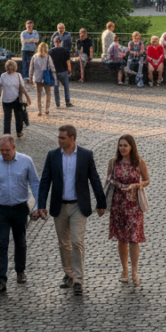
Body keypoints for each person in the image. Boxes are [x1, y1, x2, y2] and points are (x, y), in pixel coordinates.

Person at [37, 125, 107, 296]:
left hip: (78, 206)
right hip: (59, 206)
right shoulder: (53, 155)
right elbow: (45, 181)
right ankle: (68, 273)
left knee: (76, 241)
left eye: (62, 138)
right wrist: (41, 205)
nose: (59, 140)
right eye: (59, 137)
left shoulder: (85, 155)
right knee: (64, 243)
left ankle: (78, 279)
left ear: (72, 139)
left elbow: (95, 179)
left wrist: (101, 202)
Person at [0, 135, 41, 293]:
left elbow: (35, 183)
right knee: (1, 244)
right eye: (1, 150)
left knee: (20, 241)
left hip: (20, 207)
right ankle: (1, 279)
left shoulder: (26, 161)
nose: (4, 153)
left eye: (7, 150)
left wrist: (38, 205)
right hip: (0, 209)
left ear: (14, 147)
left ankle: (20, 270)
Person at [107, 135, 150, 286]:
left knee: (134, 238)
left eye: (125, 145)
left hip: (134, 205)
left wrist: (137, 185)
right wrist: (114, 183)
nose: (122, 148)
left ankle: (134, 271)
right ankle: (124, 270)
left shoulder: (139, 162)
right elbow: (108, 180)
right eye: (120, 145)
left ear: (131, 146)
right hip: (118, 205)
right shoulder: (113, 162)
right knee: (121, 239)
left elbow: (147, 180)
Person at [0, 60, 30, 138]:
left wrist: (25, 97)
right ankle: (6, 134)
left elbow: (22, 88)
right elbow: (0, 86)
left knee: (18, 116)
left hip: (16, 98)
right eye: (8, 69)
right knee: (7, 118)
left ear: (15, 68)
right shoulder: (3, 75)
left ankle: (19, 131)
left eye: (11, 69)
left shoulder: (18, 75)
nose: (10, 70)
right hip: (6, 99)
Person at [29, 42, 55, 117]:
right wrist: (54, 77)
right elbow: (52, 68)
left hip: (37, 77)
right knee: (48, 94)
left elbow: (31, 68)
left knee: (39, 95)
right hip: (46, 77)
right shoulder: (48, 57)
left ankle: (40, 110)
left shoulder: (34, 57)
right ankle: (46, 108)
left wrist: (30, 78)